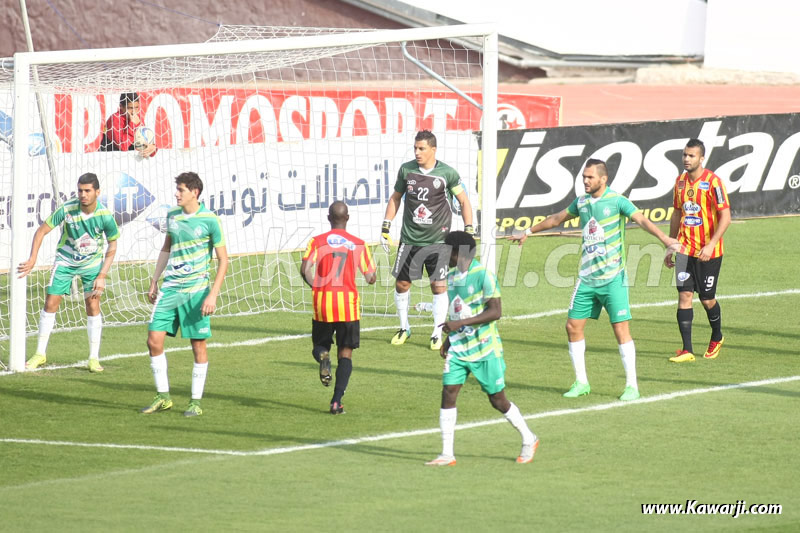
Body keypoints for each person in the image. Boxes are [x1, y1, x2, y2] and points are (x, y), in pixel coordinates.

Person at [510, 159, 679, 401]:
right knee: (572, 326)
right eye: (584, 177)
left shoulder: (618, 201)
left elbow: (641, 220)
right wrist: (527, 232)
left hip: (613, 278)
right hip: (587, 279)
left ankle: (632, 385)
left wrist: (665, 239)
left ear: (603, 179)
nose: (585, 181)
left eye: (590, 177)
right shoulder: (582, 202)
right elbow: (557, 218)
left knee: (620, 330)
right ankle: (581, 382)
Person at [426, 231, 538, 466]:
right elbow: (459, 309)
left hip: (485, 349)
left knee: (498, 400)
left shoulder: (483, 276)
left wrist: (460, 324)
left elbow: (495, 312)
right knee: (448, 393)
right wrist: (450, 338)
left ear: (459, 253)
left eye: (448, 251)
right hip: (459, 348)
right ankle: (447, 454)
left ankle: (529, 438)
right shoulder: (454, 276)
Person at [141, 172, 228, 417]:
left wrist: (212, 295)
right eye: (177, 189)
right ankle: (163, 396)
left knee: (198, 345)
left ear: (194, 192)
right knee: (153, 340)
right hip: (170, 288)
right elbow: (166, 247)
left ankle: (195, 402)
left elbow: (223, 260)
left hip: (196, 291)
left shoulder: (210, 220)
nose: (176, 194)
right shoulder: (172, 215)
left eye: (180, 190)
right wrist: (154, 280)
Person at [381, 130, 474, 351]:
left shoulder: (447, 173)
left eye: (421, 148)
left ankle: (436, 331)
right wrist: (386, 225)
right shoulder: (407, 170)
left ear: (433, 149)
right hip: (410, 239)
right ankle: (404, 327)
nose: (417, 152)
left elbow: (463, 200)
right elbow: (395, 197)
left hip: (438, 241)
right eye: (415, 148)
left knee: (438, 286)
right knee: (402, 284)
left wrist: (469, 229)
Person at [18, 173, 119, 373]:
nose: (83, 194)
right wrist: (33, 258)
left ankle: (93, 358)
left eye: (87, 190)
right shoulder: (67, 209)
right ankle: (40, 353)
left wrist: (102, 275)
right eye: (80, 190)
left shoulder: (105, 216)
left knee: (92, 304)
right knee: (51, 303)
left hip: (91, 264)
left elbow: (113, 244)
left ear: (97, 192)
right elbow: (41, 231)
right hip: (65, 260)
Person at [301, 201, 377, 414]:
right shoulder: (358, 244)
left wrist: (316, 285)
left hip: (322, 302)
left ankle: (324, 356)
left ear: (328, 218)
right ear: (348, 218)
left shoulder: (317, 242)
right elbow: (371, 278)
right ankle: (336, 402)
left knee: (320, 345)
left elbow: (305, 269)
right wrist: (372, 272)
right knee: (346, 353)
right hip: (348, 307)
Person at [665, 138, 731, 363]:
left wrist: (711, 243)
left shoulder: (713, 182)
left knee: (706, 299)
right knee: (684, 295)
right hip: (684, 249)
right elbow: (676, 213)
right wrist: (671, 244)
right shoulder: (680, 182)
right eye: (684, 154)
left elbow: (726, 216)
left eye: (691, 155)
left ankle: (717, 336)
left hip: (708, 252)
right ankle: (687, 350)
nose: (686, 158)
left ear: (702, 158)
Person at [101, 92, 157, 157]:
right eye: (130, 108)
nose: (133, 112)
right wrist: (133, 125)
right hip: (114, 159)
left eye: (136, 107)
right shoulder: (115, 119)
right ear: (121, 106)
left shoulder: (138, 118)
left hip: (132, 161)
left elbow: (141, 144)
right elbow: (123, 147)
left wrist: (152, 148)